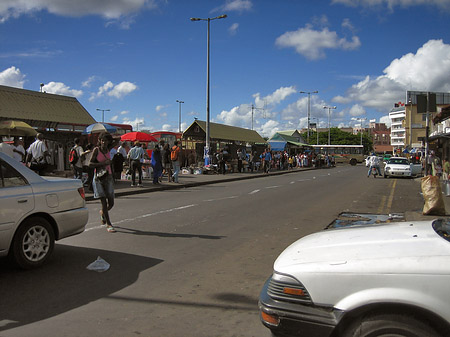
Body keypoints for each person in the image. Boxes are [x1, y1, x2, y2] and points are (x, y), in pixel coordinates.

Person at [89, 132, 115, 233]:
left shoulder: (108, 148)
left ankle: (103, 213)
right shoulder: (96, 150)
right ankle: (108, 223)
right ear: (99, 141)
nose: (103, 142)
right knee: (103, 201)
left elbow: (118, 139)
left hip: (108, 176)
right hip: (99, 178)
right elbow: (90, 164)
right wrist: (103, 163)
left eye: (105, 140)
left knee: (111, 203)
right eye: (102, 140)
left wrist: (110, 137)